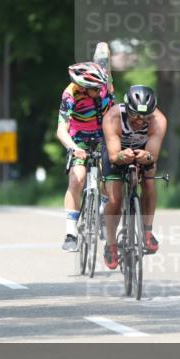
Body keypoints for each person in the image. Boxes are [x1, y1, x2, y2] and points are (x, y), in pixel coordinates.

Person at [101, 85, 168, 269]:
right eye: (135, 115)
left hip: (142, 151)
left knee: (149, 181)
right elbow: (114, 155)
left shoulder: (159, 120)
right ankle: (111, 244)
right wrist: (123, 156)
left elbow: (152, 155)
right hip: (117, 151)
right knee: (114, 199)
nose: (140, 120)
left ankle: (147, 232)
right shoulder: (112, 117)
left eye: (145, 116)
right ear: (126, 108)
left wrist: (145, 157)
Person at [56, 43, 114, 252]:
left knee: (111, 180)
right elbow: (61, 129)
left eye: (101, 87)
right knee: (77, 178)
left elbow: (103, 50)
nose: (99, 91)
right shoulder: (70, 94)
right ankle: (71, 234)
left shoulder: (105, 84)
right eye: (95, 89)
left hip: (104, 135)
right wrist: (73, 148)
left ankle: (102, 208)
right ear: (82, 86)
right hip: (79, 138)